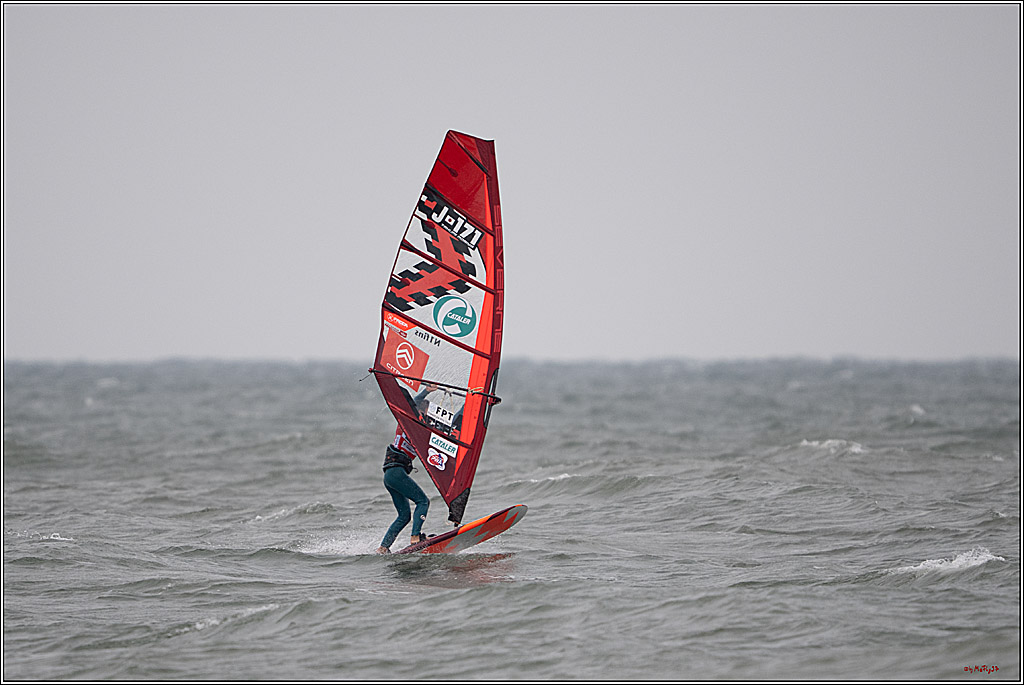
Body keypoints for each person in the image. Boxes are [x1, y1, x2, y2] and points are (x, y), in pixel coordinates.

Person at [375, 430, 431, 554]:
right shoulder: (407, 424)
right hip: (396, 473)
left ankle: (383, 547)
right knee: (423, 501)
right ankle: (415, 537)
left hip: (390, 476)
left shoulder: (420, 432)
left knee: (404, 515)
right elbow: (406, 411)